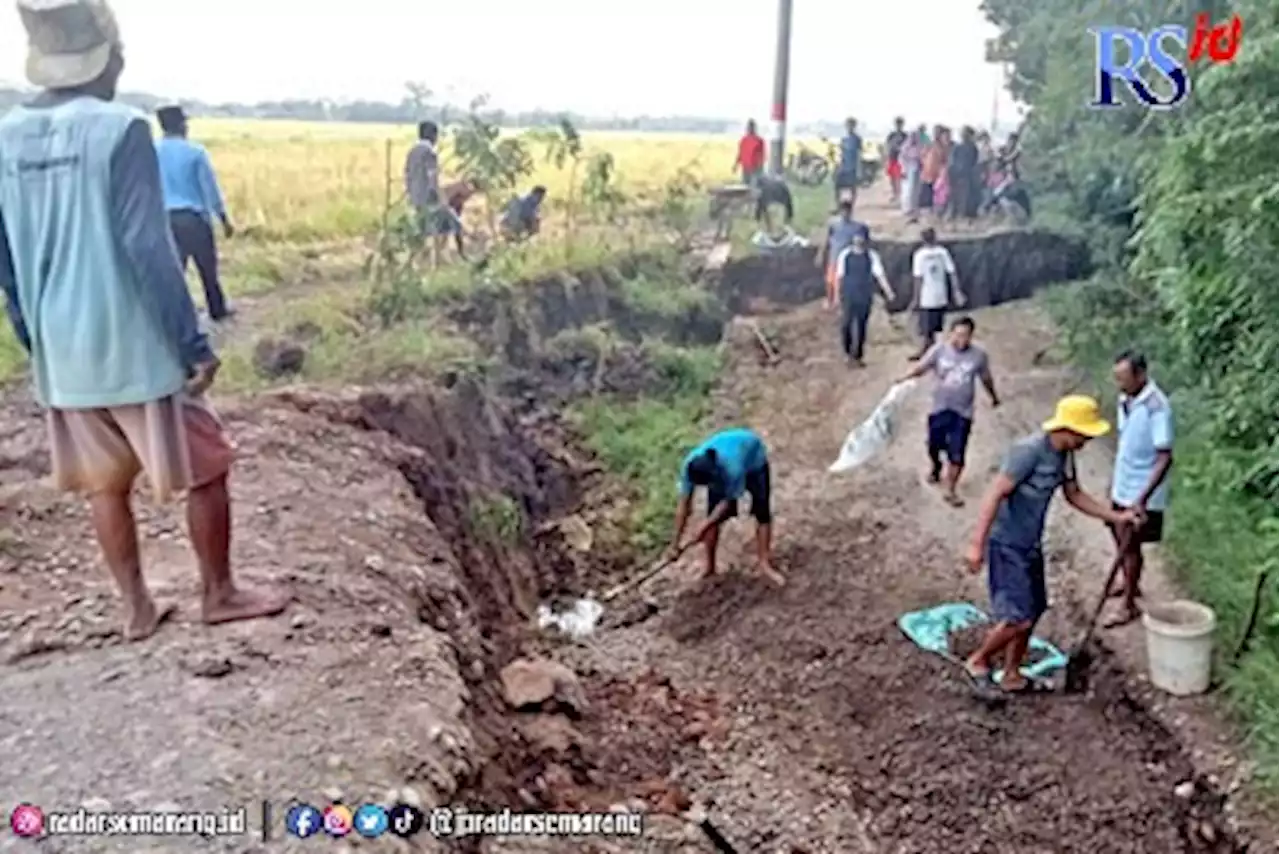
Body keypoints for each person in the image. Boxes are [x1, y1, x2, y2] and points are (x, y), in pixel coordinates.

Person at [0, 0, 290, 641]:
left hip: (63, 348)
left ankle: (136, 609)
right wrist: (191, 342)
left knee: (106, 483)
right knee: (209, 464)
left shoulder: (5, 135)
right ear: (106, 61)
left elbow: (5, 258)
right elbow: (147, 246)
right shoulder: (121, 130)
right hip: (134, 344)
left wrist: (33, 335)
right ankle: (219, 593)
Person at [963, 396, 1140, 694]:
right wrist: (976, 545)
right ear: (1068, 429)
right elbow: (995, 494)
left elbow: (1074, 494)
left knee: (1034, 609)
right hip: (1006, 543)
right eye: (1085, 434)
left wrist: (1116, 517)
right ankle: (978, 661)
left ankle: (1012, 673)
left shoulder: (1065, 457)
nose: (1087, 440)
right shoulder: (1028, 452)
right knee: (1017, 617)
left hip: (1030, 543)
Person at [898, 317, 999, 506]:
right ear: (951, 333)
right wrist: (904, 378)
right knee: (933, 445)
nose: (962, 339)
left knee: (958, 451)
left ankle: (950, 488)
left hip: (963, 412)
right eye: (958, 334)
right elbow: (922, 367)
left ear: (971, 336)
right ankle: (936, 467)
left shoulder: (978, 356)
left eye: (966, 335)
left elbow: (986, 378)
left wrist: (993, 397)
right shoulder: (939, 351)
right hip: (940, 408)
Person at [1106, 351, 1174, 628]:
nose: (1119, 384)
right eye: (1117, 378)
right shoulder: (1127, 398)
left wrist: (1141, 499)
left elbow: (1165, 457)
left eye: (1124, 378)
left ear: (1141, 375)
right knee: (1116, 531)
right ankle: (1129, 582)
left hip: (1142, 490)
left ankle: (1128, 605)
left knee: (1130, 545)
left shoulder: (1158, 407)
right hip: (1123, 482)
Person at [667, 427, 783, 587]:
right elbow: (684, 507)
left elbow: (727, 503)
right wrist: (675, 544)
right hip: (730, 447)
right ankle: (710, 567)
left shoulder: (732, 468)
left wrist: (703, 526)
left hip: (753, 456)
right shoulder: (689, 468)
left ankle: (764, 563)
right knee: (712, 518)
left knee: (761, 510)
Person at [154, 105, 235, 322]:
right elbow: (210, 188)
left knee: (174, 271)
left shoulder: (152, 151)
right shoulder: (196, 152)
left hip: (165, 219)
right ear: (180, 125)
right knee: (207, 268)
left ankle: (175, 315)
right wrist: (224, 218)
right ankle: (217, 310)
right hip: (194, 219)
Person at [833, 224, 894, 367]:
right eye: (857, 236)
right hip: (848, 294)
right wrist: (836, 295)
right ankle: (848, 353)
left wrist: (888, 291)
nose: (859, 239)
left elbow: (879, 275)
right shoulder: (845, 255)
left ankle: (857, 355)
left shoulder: (872, 256)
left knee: (861, 326)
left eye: (861, 237)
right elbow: (839, 277)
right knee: (846, 325)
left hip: (864, 296)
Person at [909, 227, 965, 359]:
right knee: (935, 327)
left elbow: (918, 278)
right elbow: (952, 273)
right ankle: (931, 350)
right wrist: (957, 291)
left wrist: (916, 298)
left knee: (927, 328)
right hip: (940, 294)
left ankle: (929, 351)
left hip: (927, 296)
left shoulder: (920, 255)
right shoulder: (942, 252)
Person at [819, 199, 863, 309]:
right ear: (840, 211)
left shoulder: (856, 227)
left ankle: (839, 302)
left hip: (846, 259)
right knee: (830, 281)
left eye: (847, 211)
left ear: (851, 212)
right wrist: (820, 254)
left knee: (842, 282)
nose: (845, 214)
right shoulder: (833, 224)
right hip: (834, 256)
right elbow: (826, 240)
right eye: (843, 211)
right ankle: (829, 300)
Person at [405, 120, 444, 241]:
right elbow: (432, 176)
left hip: (414, 193)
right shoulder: (430, 152)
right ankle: (433, 255)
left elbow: (407, 173)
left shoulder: (412, 151)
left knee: (420, 224)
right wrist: (438, 195)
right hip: (427, 195)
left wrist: (409, 191)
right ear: (433, 135)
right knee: (434, 227)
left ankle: (419, 251)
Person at [948, 126, 980, 223]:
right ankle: (955, 215)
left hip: (965, 175)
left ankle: (961, 215)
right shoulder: (959, 147)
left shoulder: (972, 148)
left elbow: (973, 161)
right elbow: (952, 161)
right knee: (956, 196)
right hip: (959, 175)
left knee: (964, 196)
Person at [835, 118, 863, 208]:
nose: (849, 127)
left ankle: (851, 205)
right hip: (844, 165)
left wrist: (859, 169)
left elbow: (859, 154)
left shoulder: (857, 139)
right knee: (838, 186)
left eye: (851, 125)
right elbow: (841, 153)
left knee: (852, 188)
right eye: (848, 125)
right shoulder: (844, 139)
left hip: (853, 166)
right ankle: (838, 205)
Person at [900, 129, 924, 221]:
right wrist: (904, 169)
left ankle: (914, 207)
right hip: (908, 169)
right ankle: (907, 208)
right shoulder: (906, 147)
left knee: (916, 190)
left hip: (917, 169)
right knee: (908, 190)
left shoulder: (919, 147)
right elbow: (902, 159)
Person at [734, 120, 766, 187]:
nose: (750, 129)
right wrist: (736, 165)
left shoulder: (759, 140)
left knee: (755, 187)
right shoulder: (744, 140)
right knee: (745, 186)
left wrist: (760, 167)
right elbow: (740, 154)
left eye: (751, 127)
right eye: (749, 127)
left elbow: (762, 155)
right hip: (745, 167)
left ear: (754, 128)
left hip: (755, 168)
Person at [884, 117, 907, 203]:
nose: (898, 126)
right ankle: (894, 193)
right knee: (892, 177)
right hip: (892, 157)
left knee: (899, 177)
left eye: (900, 124)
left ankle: (899, 194)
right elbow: (887, 146)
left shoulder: (905, 135)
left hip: (900, 159)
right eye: (897, 124)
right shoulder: (891, 135)